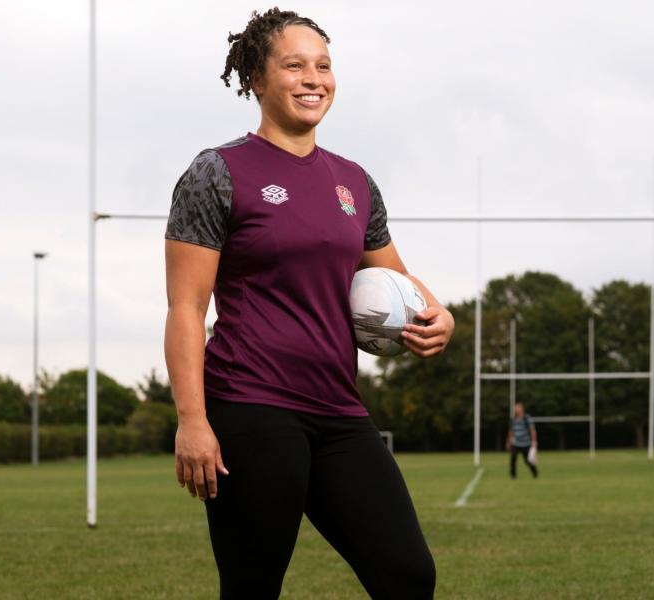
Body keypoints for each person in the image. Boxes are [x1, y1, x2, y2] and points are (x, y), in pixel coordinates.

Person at [162, 8, 454, 599]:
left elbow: (398, 279)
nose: (312, 78)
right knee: (252, 587)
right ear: (256, 79)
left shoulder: (355, 182)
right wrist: (193, 421)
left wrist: (440, 314)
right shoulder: (217, 173)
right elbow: (186, 308)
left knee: (407, 574)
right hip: (251, 408)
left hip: (340, 412)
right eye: (293, 65)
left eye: (322, 65)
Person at [506, 403, 538, 479]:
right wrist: (508, 441)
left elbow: (532, 430)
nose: (516, 410)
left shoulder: (527, 418)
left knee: (528, 461)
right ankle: (513, 476)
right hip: (516, 443)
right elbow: (511, 431)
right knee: (513, 458)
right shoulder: (513, 419)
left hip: (526, 443)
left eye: (517, 408)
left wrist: (534, 441)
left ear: (522, 409)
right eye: (515, 408)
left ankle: (535, 473)